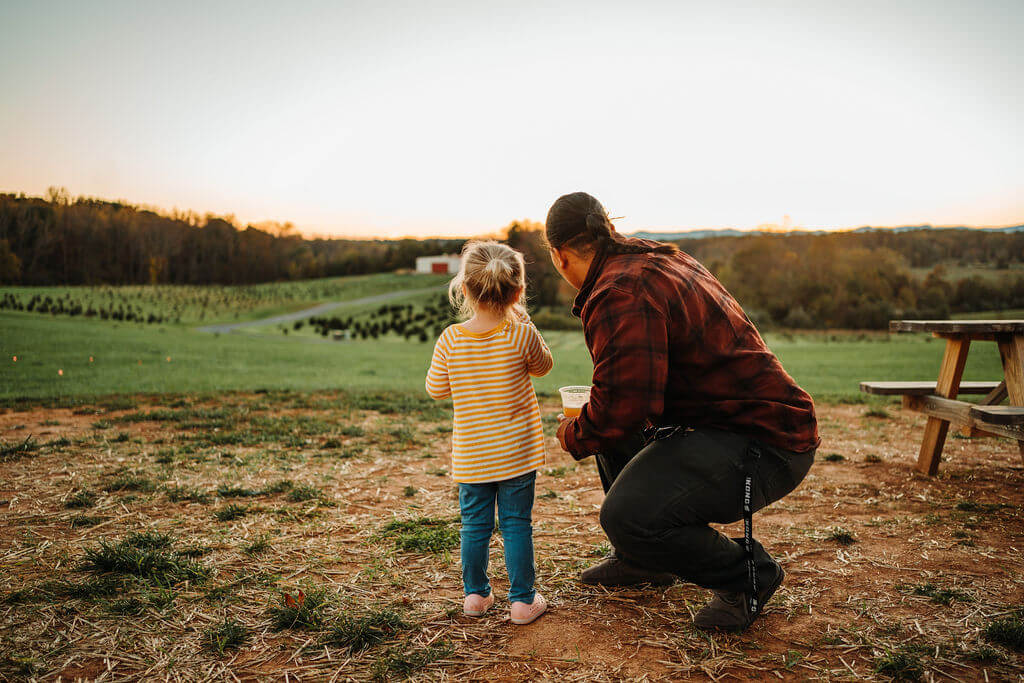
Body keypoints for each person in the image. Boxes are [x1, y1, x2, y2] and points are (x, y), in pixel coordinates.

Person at [546, 192, 819, 632]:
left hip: (763, 443)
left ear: (559, 256)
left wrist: (573, 434)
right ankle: (642, 560)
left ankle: (749, 575)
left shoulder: (620, 291)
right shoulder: (653, 257)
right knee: (610, 429)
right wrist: (594, 423)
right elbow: (628, 395)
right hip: (738, 423)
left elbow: (623, 408)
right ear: (606, 229)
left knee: (625, 514)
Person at [425, 240, 554, 625]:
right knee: (516, 524)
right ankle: (521, 602)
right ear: (518, 292)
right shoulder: (520, 334)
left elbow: (435, 389)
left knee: (474, 526)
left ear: (464, 288)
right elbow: (544, 366)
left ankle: (476, 596)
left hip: (473, 456)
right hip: (517, 454)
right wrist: (528, 327)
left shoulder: (450, 339)